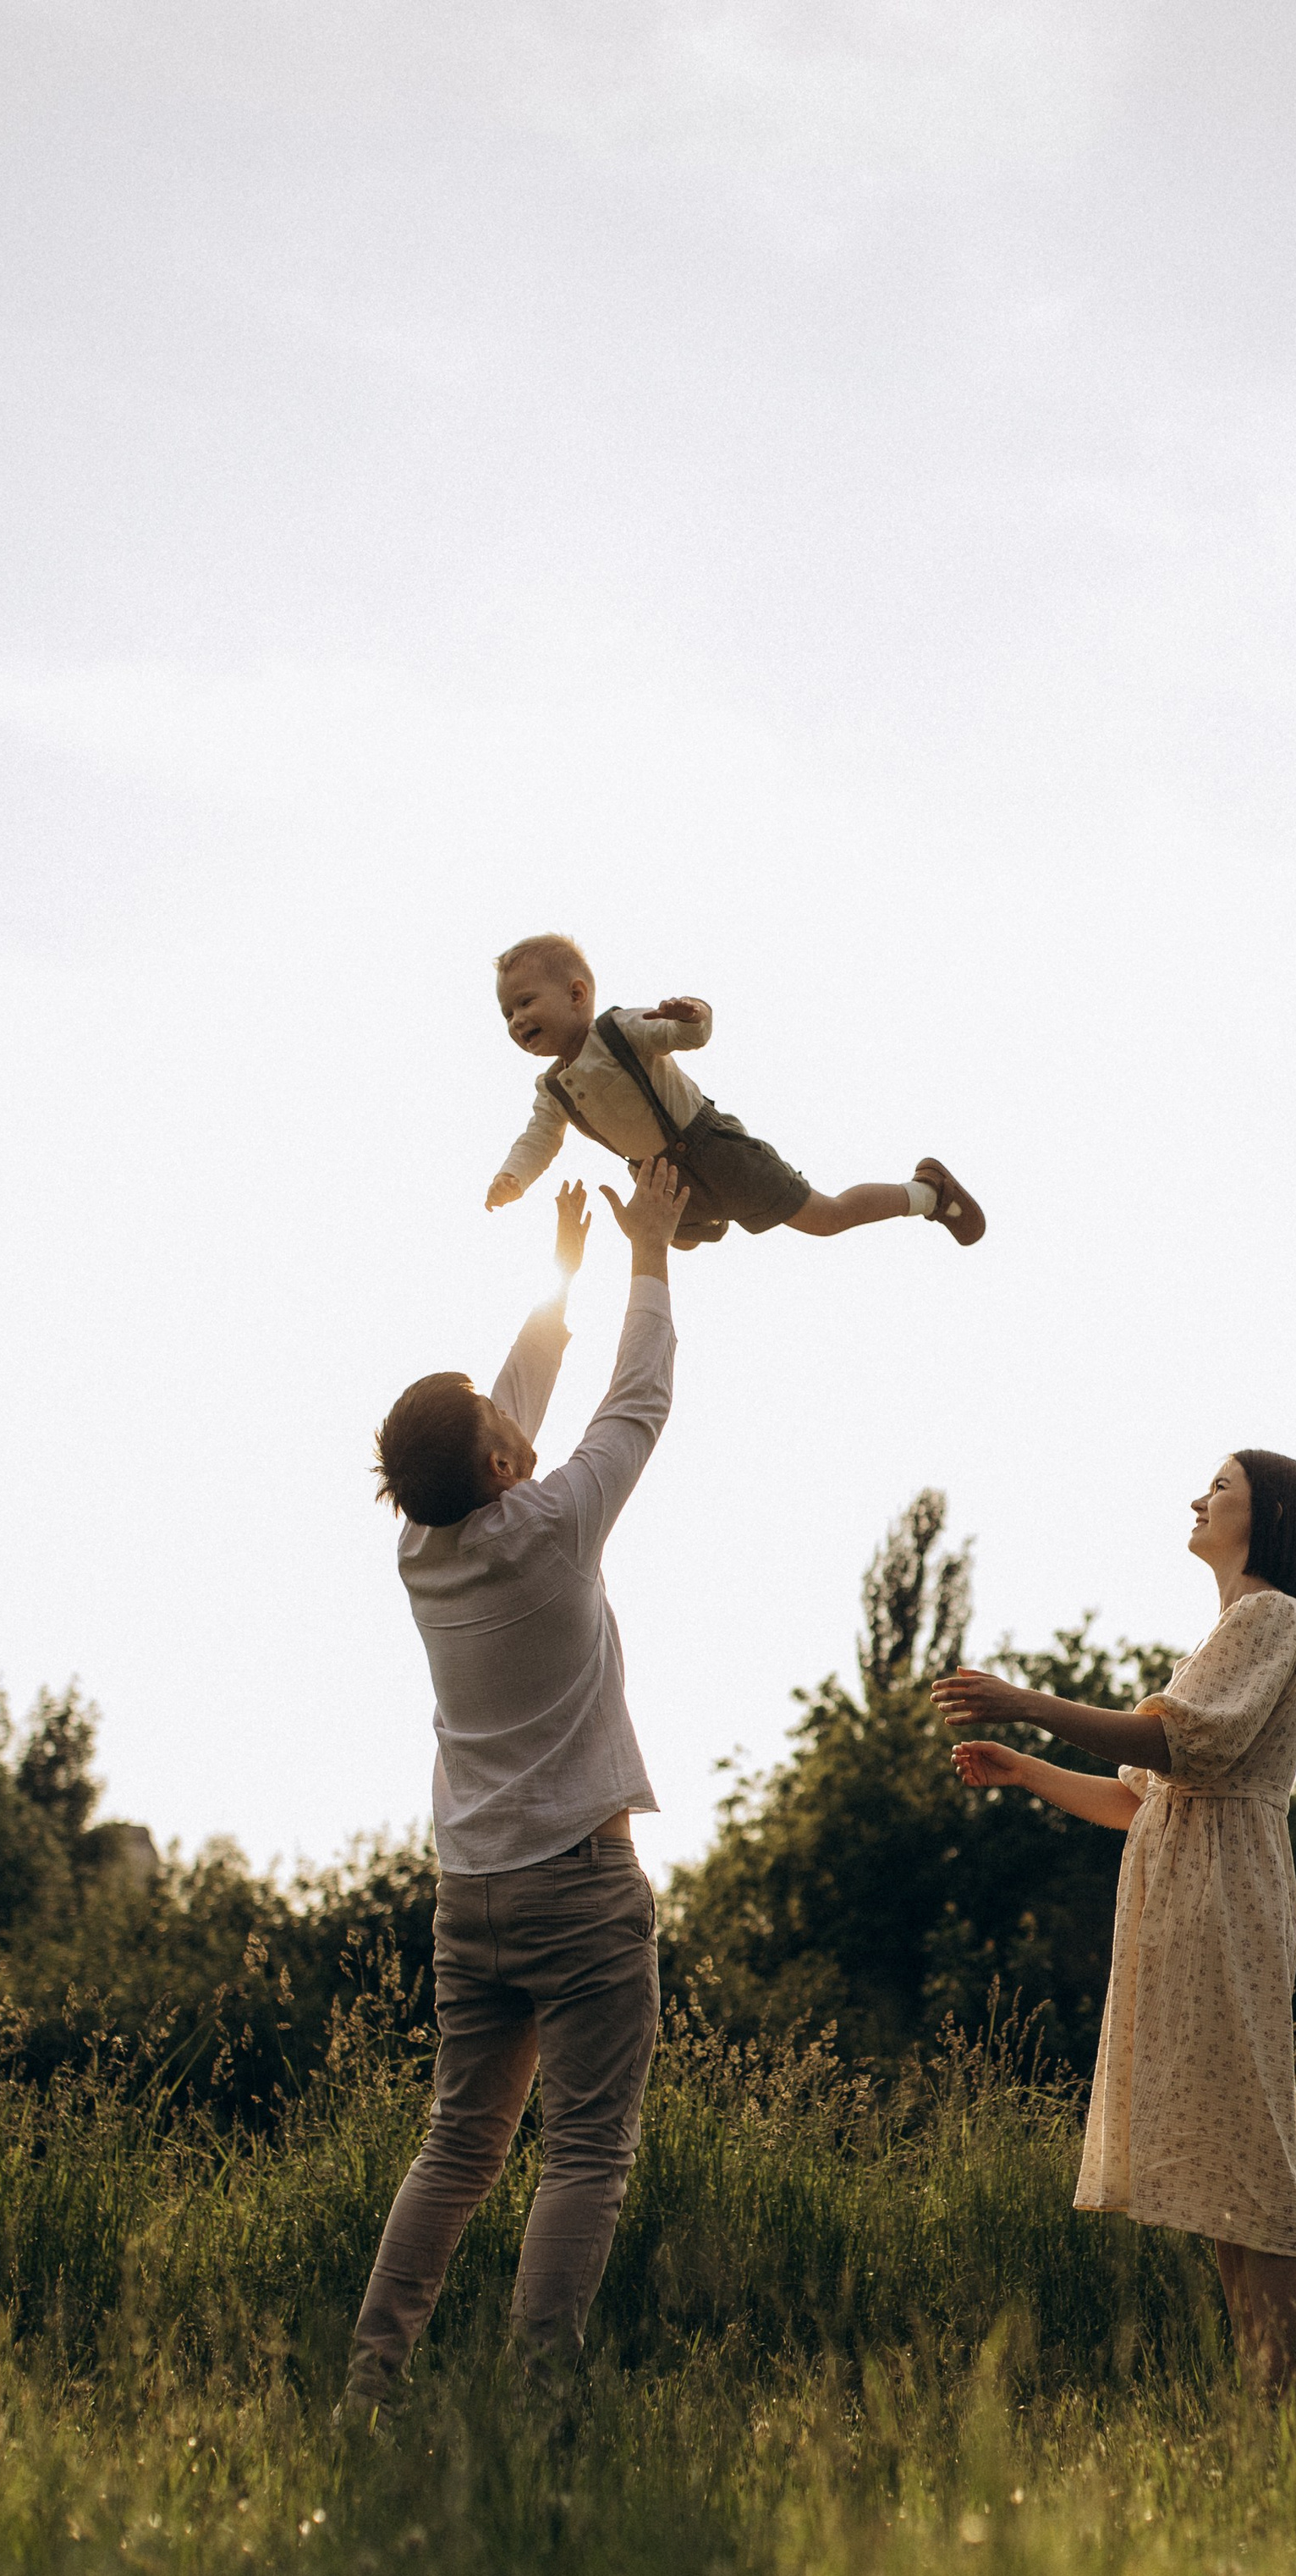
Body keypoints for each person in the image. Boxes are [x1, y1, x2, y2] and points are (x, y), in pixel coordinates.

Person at [339, 1158, 689, 2427]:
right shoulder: (552, 1526)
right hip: (581, 1894)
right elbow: (635, 1406)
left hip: (468, 1898)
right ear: (499, 1465)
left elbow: (495, 1416)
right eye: (501, 1436)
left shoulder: (422, 1547)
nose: (516, 1428)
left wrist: (562, 1280)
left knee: (457, 2146)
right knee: (586, 2148)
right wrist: (650, 1251)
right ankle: (542, 2400)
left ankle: (372, 2387)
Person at [930, 1451, 1296, 2396]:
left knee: (1260, 2155)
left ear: (1265, 1511)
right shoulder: (1224, 1634)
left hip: (1226, 1895)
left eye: (1220, 1487)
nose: (1199, 1498)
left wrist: (1027, 1702)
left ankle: (1288, 2393)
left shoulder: (1273, 1616)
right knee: (1231, 2160)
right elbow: (1134, 1799)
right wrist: (1026, 1768)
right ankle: (1263, 2400)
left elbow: (1169, 1740)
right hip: (1188, 1899)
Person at [482, 931, 986, 1254]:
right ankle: (709, 1219)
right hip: (663, 1176)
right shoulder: (552, 1088)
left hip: (713, 1149)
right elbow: (539, 1139)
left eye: (525, 1002)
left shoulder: (619, 1030)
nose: (517, 1019)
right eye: (508, 1013)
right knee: (663, 1235)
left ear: (576, 995)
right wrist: (513, 1177)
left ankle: (928, 1193)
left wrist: (690, 1013)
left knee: (825, 1218)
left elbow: (685, 1034)